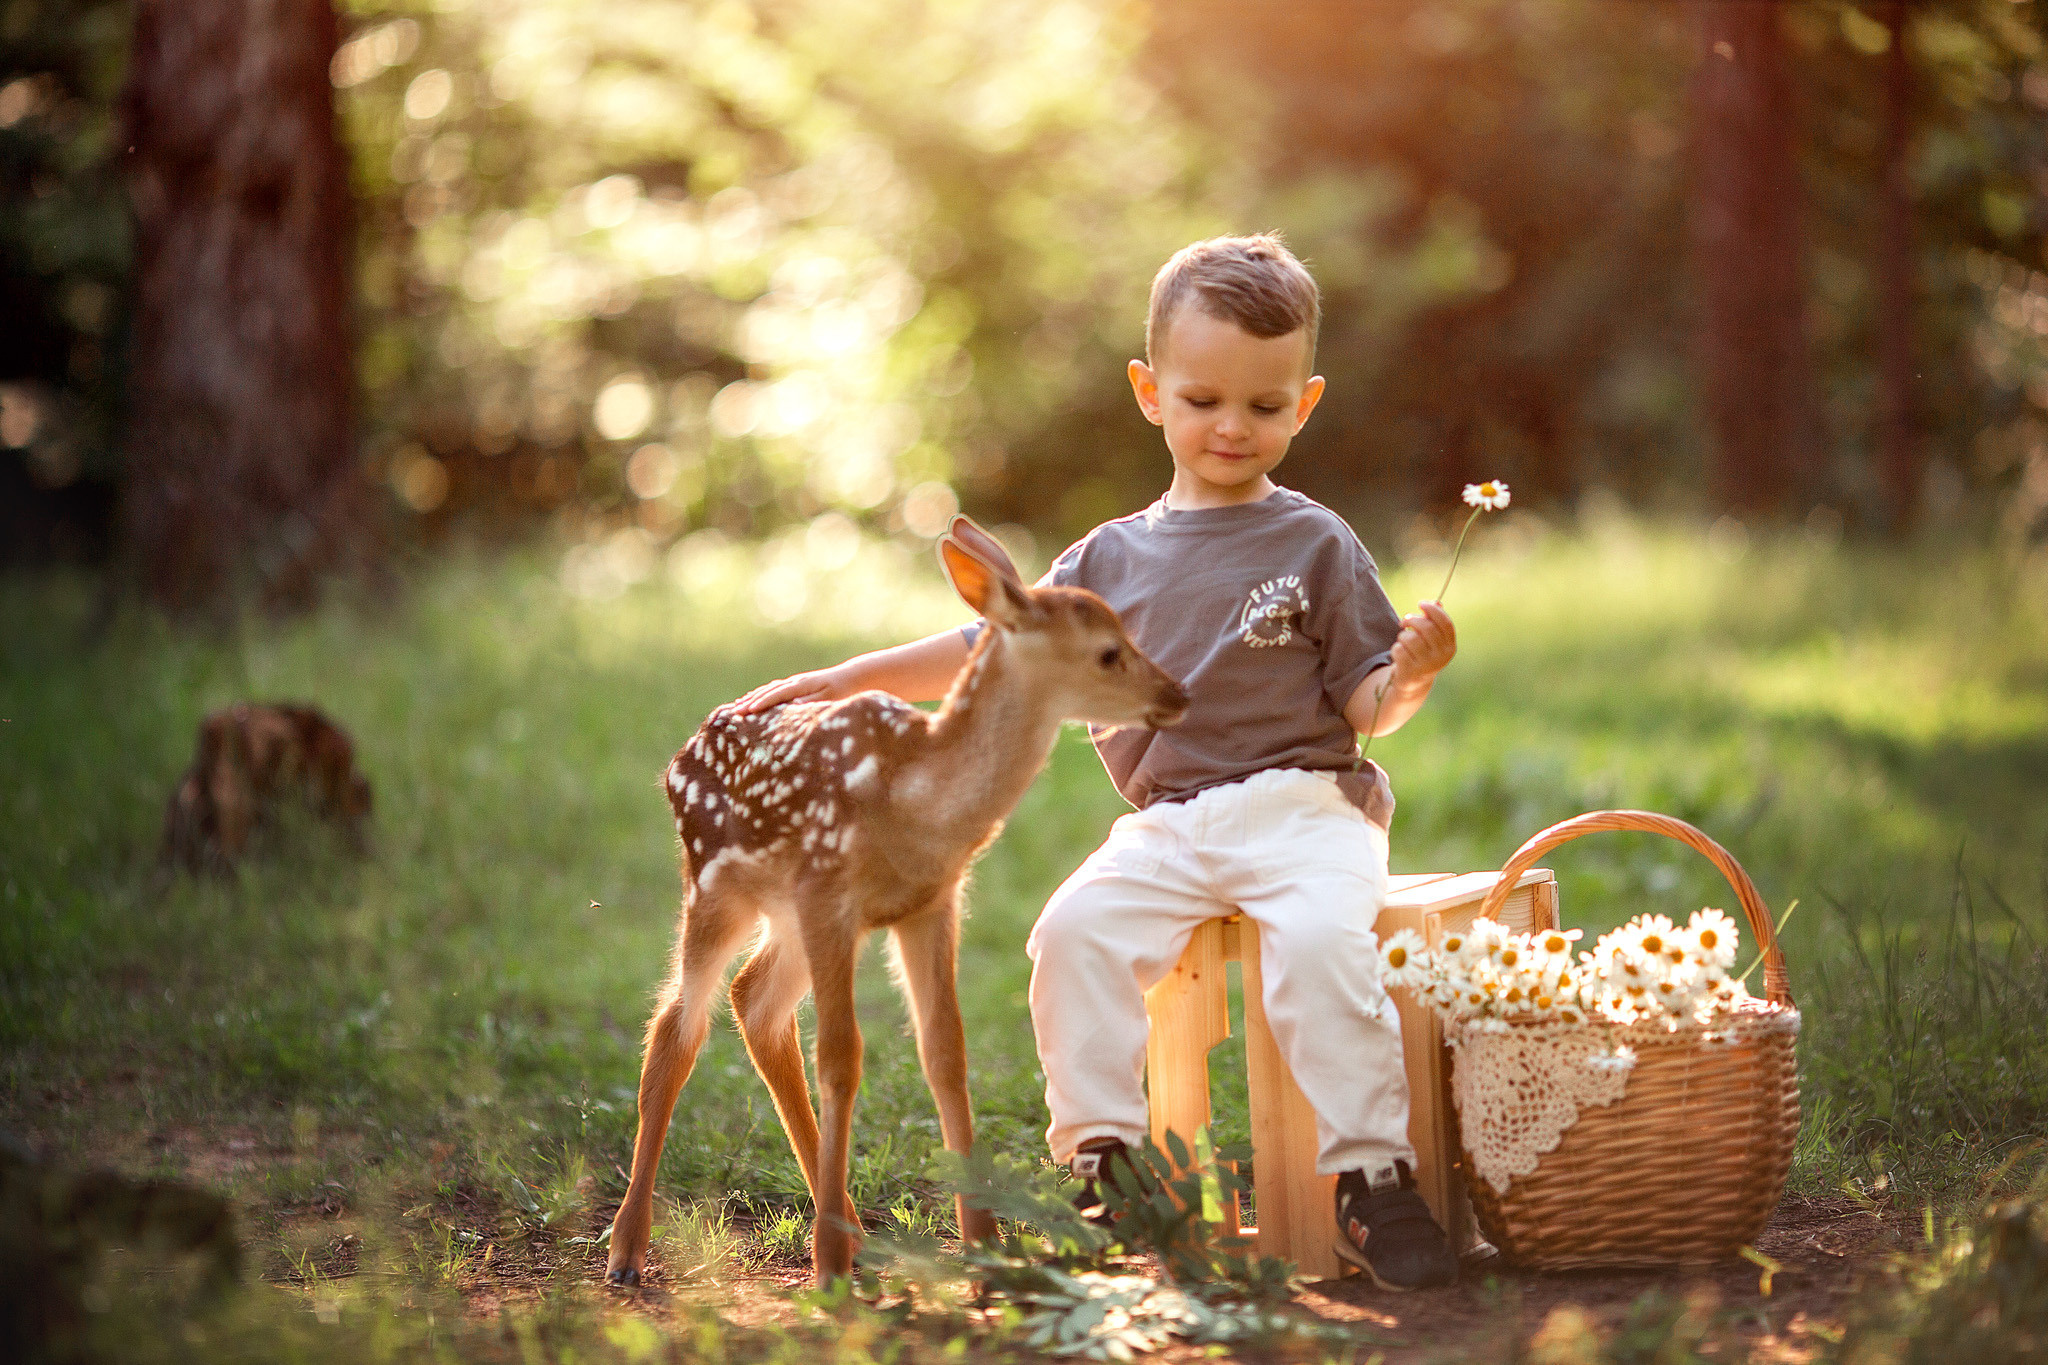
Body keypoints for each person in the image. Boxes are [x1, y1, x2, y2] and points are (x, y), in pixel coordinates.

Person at [733, 234, 1461, 1290]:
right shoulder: (1106, 560)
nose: (1229, 426)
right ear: (1148, 391)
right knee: (1070, 933)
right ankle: (1102, 1158)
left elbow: (1364, 703)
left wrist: (1412, 675)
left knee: (1318, 952)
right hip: (1167, 824)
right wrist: (846, 676)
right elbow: (985, 651)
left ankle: (1370, 1177)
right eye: (1202, 397)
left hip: (1308, 814)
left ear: (1303, 404)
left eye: (1262, 408)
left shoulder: (1315, 543)